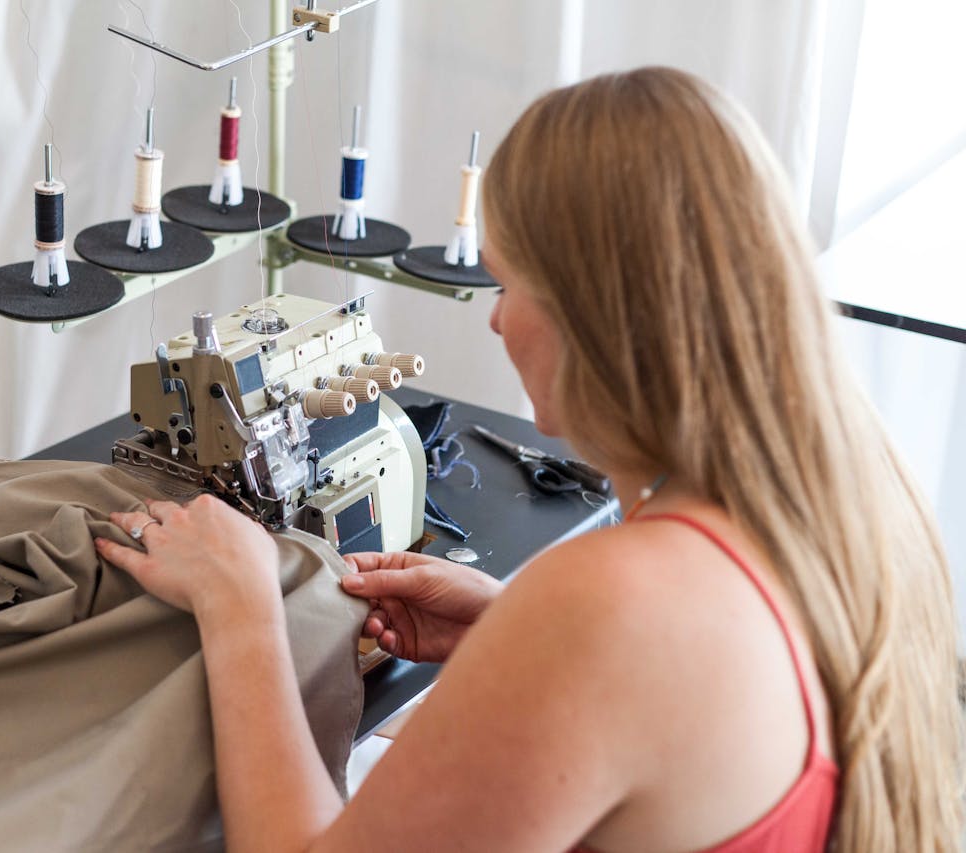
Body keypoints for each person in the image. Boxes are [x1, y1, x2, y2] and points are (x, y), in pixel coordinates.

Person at [94, 67, 963, 852]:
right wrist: (513, 632)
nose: (496, 321)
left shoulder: (609, 604)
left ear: (600, 317)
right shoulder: (844, 513)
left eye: (510, 286)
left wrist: (240, 607)